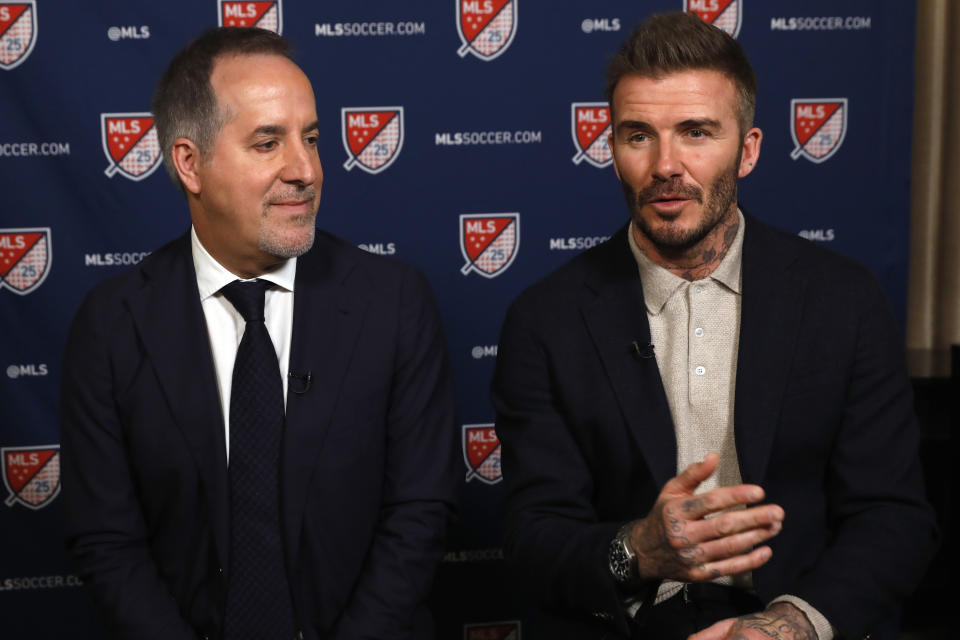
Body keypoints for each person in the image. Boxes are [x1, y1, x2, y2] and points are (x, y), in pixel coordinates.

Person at [491, 12, 937, 640]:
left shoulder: (845, 300)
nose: (666, 164)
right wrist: (642, 548)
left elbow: (892, 518)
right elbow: (533, 537)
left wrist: (787, 626)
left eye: (696, 132)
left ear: (748, 150)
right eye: (638, 134)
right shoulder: (546, 319)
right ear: (612, 149)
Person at [60, 27, 458, 640]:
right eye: (268, 143)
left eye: (313, 139)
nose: (305, 170)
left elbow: (419, 513)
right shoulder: (112, 324)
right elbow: (108, 543)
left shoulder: (394, 302)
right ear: (190, 163)